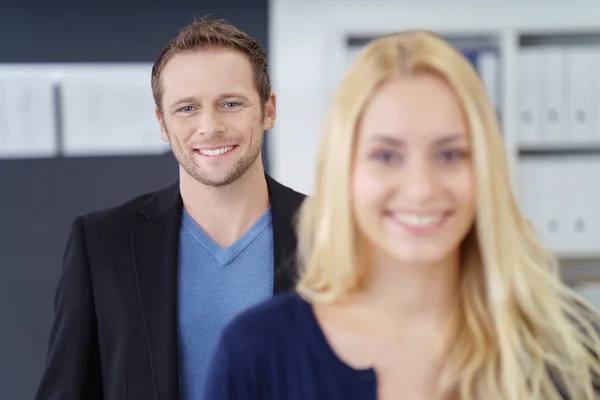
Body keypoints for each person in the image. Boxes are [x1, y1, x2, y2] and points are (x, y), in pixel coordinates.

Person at [202, 30, 600, 400]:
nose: (421, 188)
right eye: (386, 156)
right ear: (345, 173)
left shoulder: (569, 346)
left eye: (450, 154)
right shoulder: (257, 351)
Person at [34, 17, 305, 400]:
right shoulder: (102, 245)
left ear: (268, 110)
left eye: (230, 103)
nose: (209, 126)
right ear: (162, 123)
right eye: (187, 108)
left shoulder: (336, 233)